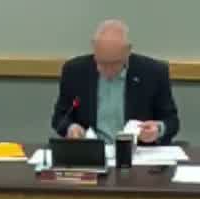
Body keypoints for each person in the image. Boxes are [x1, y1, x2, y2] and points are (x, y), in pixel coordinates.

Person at [50, 20, 179, 145]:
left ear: (128, 51)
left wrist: (158, 129)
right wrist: (71, 128)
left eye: (115, 63)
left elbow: (172, 121)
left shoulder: (153, 72)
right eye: (101, 63)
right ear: (94, 48)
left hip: (137, 153)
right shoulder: (75, 71)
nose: (108, 70)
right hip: (91, 152)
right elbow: (60, 118)